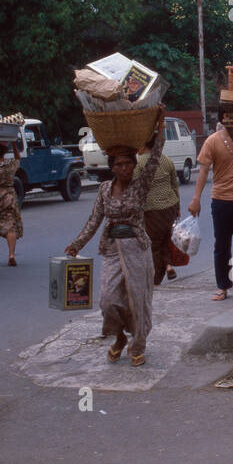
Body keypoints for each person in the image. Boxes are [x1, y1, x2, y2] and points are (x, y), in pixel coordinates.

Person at [66, 110, 165, 367]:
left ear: (134, 164)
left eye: (128, 163)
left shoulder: (140, 185)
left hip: (137, 249)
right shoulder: (104, 190)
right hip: (111, 249)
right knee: (108, 300)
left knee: (137, 299)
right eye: (119, 164)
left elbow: (154, 156)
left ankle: (138, 346)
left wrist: (160, 124)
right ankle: (119, 337)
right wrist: (77, 244)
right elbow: (94, 220)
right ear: (111, 167)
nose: (125, 168)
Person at [188, 108, 233, 303]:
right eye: (231, 115)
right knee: (222, 244)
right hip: (221, 197)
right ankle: (223, 286)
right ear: (224, 118)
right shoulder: (212, 141)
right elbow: (203, 172)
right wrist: (196, 199)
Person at [136, 136, 181, 285]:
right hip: (170, 206)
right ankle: (168, 265)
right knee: (166, 239)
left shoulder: (140, 162)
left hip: (152, 210)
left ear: (144, 144)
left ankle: (156, 280)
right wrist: (178, 207)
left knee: (155, 245)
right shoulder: (167, 160)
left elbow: (136, 188)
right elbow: (175, 185)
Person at [0, 140, 23, 266]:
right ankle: (11, 254)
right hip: (9, 195)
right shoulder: (11, 164)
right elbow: (18, 158)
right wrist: (14, 144)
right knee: (10, 225)